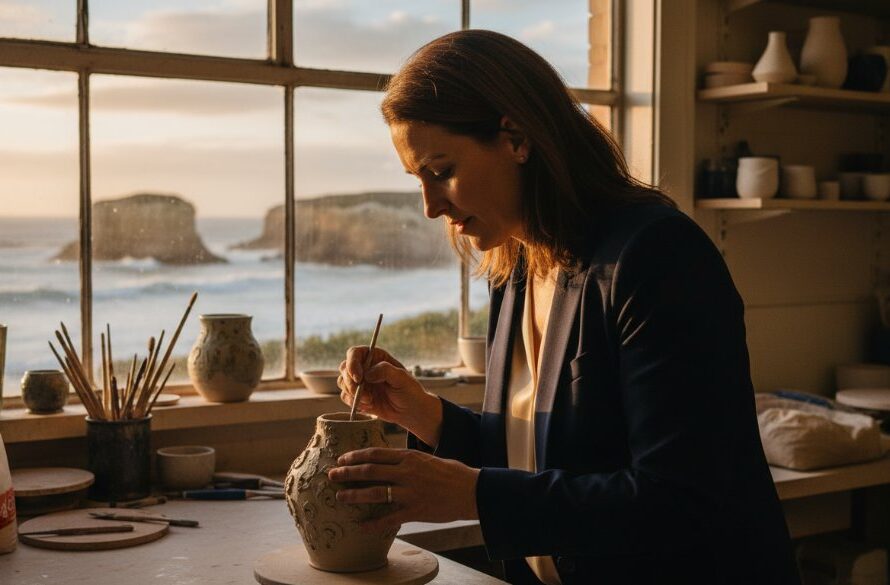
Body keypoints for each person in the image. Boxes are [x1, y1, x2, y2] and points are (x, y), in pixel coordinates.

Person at [330, 30, 800, 585]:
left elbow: (678, 498)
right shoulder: (517, 266)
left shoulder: (657, 257)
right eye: (418, 180)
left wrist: (473, 493)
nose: (431, 207)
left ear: (517, 138)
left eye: (442, 170)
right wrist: (424, 415)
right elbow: (546, 451)